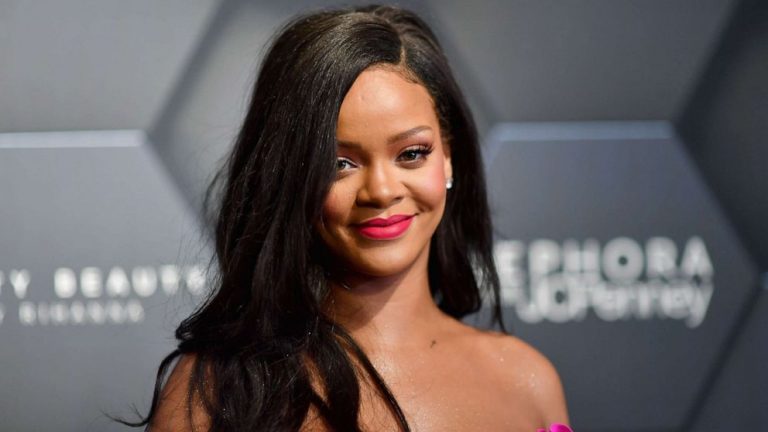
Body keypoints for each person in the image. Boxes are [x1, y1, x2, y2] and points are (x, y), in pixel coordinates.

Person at [125, 4, 570, 431]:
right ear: (291, 177)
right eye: (339, 163)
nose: (382, 191)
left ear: (448, 157)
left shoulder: (527, 381)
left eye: (411, 154)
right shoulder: (218, 391)